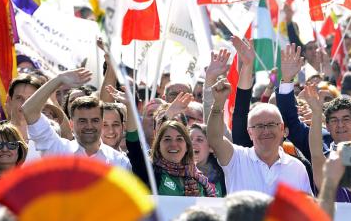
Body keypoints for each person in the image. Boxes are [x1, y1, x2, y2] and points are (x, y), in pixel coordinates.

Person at [207, 39, 311, 195]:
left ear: (282, 129)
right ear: (249, 132)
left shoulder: (297, 168)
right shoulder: (237, 158)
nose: (266, 131)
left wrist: (286, 80)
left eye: (271, 125)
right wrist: (218, 103)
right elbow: (215, 138)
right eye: (259, 126)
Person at [106, 85, 215, 196]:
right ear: (158, 141)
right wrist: (130, 106)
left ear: (187, 143)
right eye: (167, 139)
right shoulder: (149, 170)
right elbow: (133, 144)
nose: (173, 144)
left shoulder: (199, 179)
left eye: (179, 138)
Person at [22, 69, 131, 170]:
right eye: (82, 121)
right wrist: (58, 79)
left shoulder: (120, 162)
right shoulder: (58, 149)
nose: (89, 126)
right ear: (71, 124)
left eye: (94, 120)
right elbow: (28, 110)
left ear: (102, 123)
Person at [0, 73, 45, 166]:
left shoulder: (48, 138)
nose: (25, 103)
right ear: (9, 100)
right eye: (19, 98)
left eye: (31, 98)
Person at [190, 123, 226, 197]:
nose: (192, 143)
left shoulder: (223, 175)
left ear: (211, 148)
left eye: (199, 140)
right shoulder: (177, 171)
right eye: (189, 139)